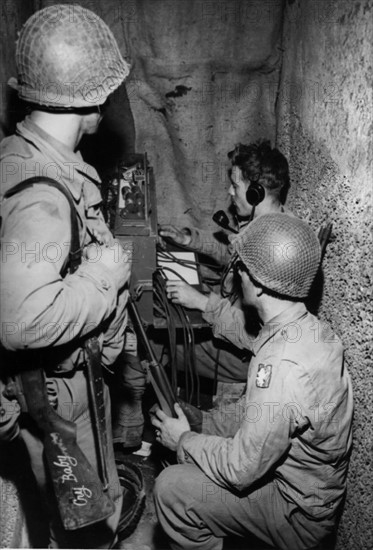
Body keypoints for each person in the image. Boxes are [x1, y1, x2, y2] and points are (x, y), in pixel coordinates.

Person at [0, 5, 143, 547]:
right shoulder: (42, 192)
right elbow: (21, 321)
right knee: (88, 528)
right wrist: (104, 278)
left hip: (46, 389)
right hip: (60, 393)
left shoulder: (23, 157)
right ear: (92, 99)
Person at [151, 213, 353, 550]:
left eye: (241, 267)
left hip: (295, 512)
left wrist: (184, 440)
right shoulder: (306, 329)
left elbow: (240, 469)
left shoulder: (282, 365)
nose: (237, 273)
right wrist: (207, 423)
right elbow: (263, 413)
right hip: (307, 490)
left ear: (257, 283)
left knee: (172, 487)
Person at [159, 141, 291, 403]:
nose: (229, 192)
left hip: (243, 356)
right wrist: (190, 239)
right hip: (227, 321)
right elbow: (233, 253)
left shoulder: (274, 249)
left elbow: (257, 338)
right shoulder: (265, 225)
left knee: (154, 341)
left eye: (235, 185)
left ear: (256, 192)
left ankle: (141, 440)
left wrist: (202, 302)